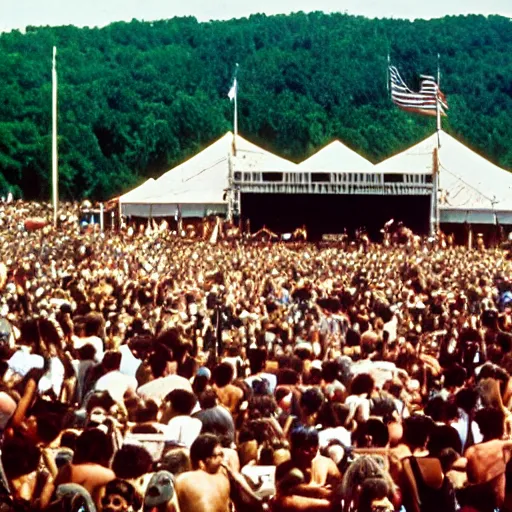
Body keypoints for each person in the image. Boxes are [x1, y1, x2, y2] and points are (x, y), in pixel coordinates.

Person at [175, 433, 230, 512]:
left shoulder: (183, 480)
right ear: (201, 463)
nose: (222, 461)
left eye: (221, 455)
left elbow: (172, 507)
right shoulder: (224, 480)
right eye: (218, 456)